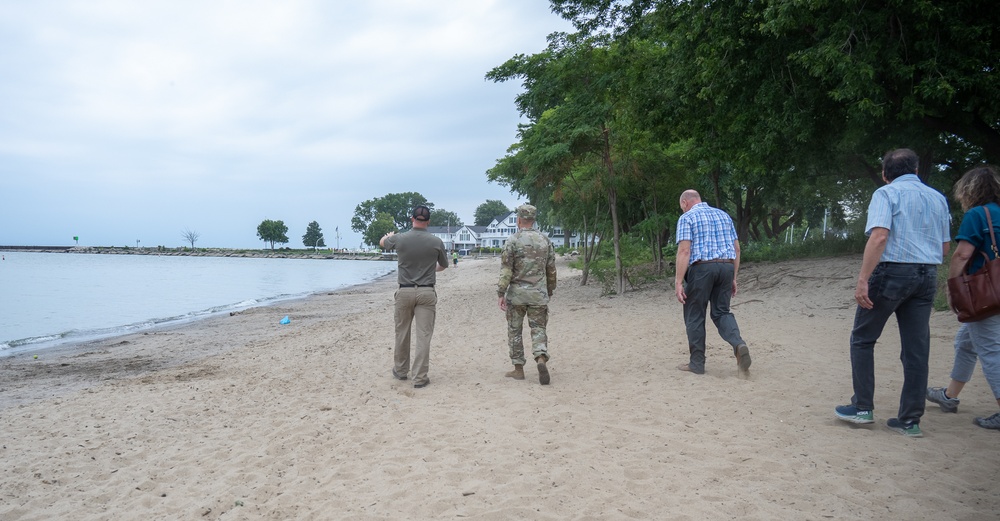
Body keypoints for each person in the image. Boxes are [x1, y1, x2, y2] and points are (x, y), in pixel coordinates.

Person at [835, 148, 951, 437]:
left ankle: (862, 407)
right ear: (916, 169)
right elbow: (945, 247)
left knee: (862, 338)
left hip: (893, 272)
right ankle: (910, 420)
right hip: (927, 274)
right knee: (916, 349)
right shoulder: (938, 198)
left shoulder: (886, 194)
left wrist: (863, 279)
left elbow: (880, 235)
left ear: (886, 173)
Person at [926, 165, 1000, 430]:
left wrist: (952, 285)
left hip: (986, 294)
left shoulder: (977, 215)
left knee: (991, 350)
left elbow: (962, 254)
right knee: (966, 342)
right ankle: (950, 396)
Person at [674, 190, 751, 375]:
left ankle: (697, 364)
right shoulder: (724, 215)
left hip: (702, 269)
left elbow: (684, 251)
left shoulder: (687, 218)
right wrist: (733, 277)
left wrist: (678, 281)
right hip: (726, 267)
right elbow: (737, 249)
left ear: (685, 202)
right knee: (722, 312)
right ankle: (738, 344)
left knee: (695, 314)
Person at [380, 205, 449, 389]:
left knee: (402, 332)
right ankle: (419, 377)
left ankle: (401, 370)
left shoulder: (400, 238)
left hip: (405, 291)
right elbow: (443, 265)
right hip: (426, 291)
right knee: (423, 336)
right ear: (428, 221)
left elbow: (382, 243)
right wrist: (429, 269)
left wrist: (388, 235)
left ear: (412, 219)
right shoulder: (436, 241)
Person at [497, 204, 557, 385]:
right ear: (534, 220)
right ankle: (540, 357)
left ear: (519, 220)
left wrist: (501, 291)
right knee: (538, 328)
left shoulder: (512, 241)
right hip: (538, 294)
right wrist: (550, 290)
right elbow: (551, 270)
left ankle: (518, 369)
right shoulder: (544, 240)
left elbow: (506, 269)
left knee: (515, 331)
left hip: (517, 295)